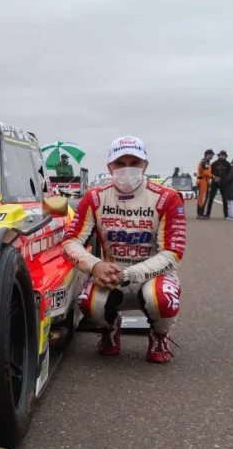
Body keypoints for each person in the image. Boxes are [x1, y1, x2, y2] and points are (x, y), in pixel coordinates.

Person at [62, 136, 186, 363]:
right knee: (88, 302)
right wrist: (95, 265)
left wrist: (129, 274)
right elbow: (70, 242)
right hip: (109, 274)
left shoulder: (168, 198)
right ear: (109, 167)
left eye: (134, 162)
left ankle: (160, 334)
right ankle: (109, 328)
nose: (127, 169)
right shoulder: (94, 198)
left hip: (153, 275)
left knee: (161, 298)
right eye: (120, 163)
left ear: (145, 165)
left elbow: (172, 254)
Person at [207, 150, 231, 218]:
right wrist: (212, 179)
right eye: (221, 155)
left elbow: (229, 174)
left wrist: (227, 182)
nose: (222, 157)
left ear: (225, 156)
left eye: (223, 155)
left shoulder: (228, 164)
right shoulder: (214, 163)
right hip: (214, 183)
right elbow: (210, 173)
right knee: (211, 198)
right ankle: (208, 214)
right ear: (219, 156)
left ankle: (226, 214)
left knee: (224, 199)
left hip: (223, 184)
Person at [196, 149, 214, 219]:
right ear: (208, 154)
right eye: (212, 155)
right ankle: (200, 214)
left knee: (204, 198)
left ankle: (200, 214)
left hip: (204, 181)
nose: (212, 156)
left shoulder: (206, 162)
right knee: (202, 198)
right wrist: (213, 177)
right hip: (203, 181)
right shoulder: (205, 162)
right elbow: (205, 172)